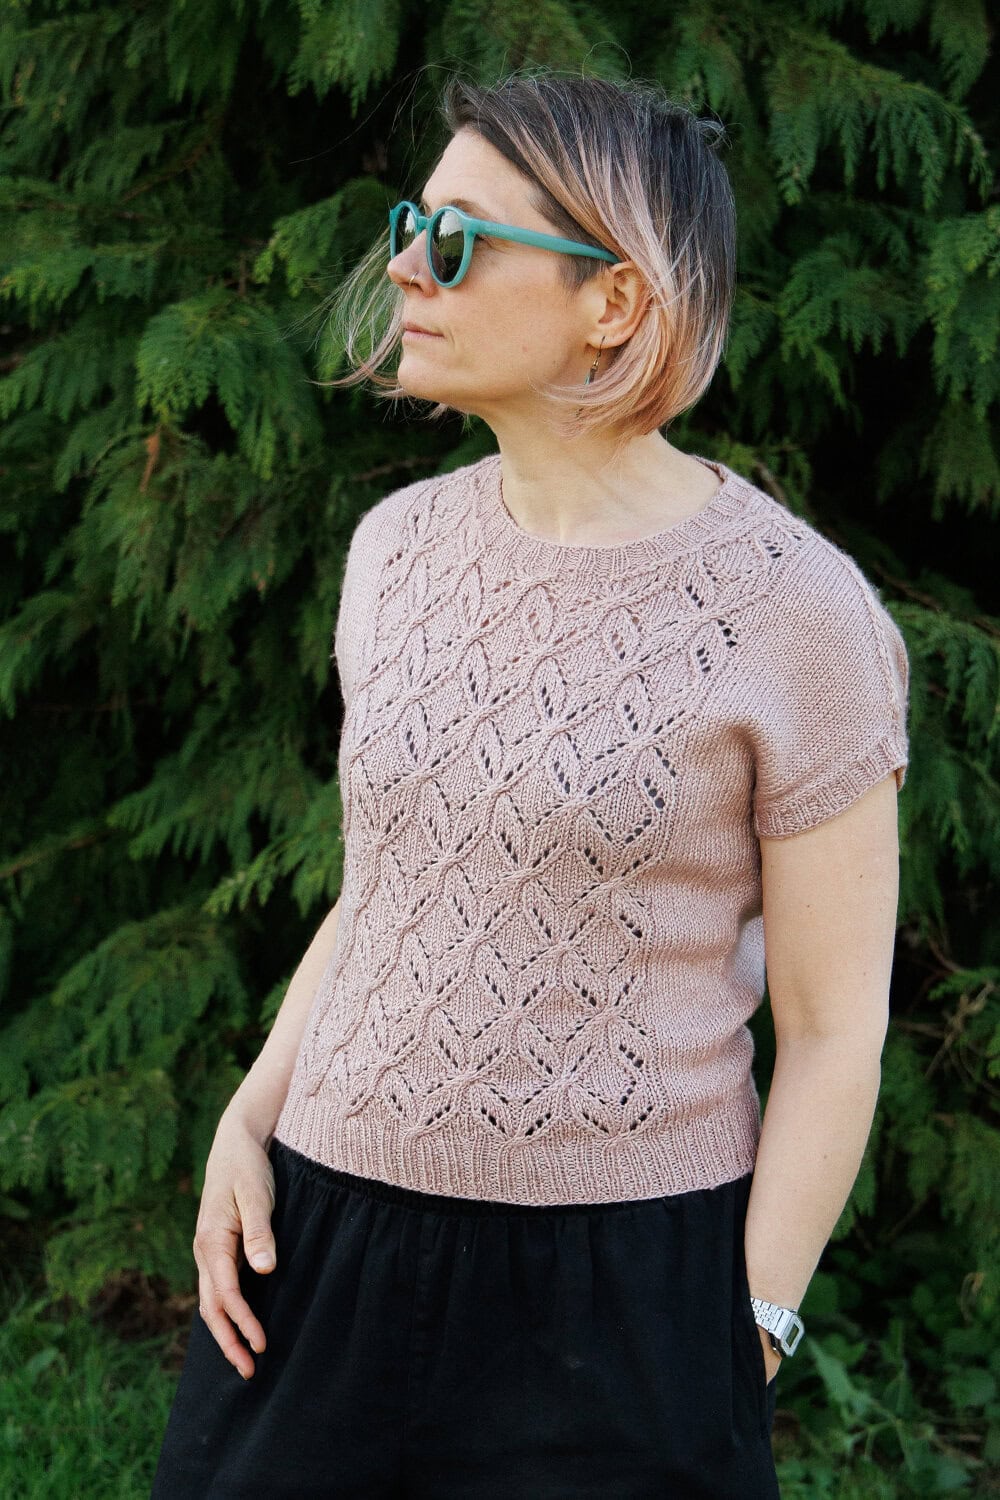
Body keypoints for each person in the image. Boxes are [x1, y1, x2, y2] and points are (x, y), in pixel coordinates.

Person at [151, 68, 910, 1499]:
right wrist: (247, 1122)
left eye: (456, 239)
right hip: (320, 1233)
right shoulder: (395, 552)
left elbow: (832, 1032)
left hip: (621, 1283)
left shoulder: (798, 616)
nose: (403, 266)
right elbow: (389, 891)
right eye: (409, 225)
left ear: (612, 301)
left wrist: (748, 1329)